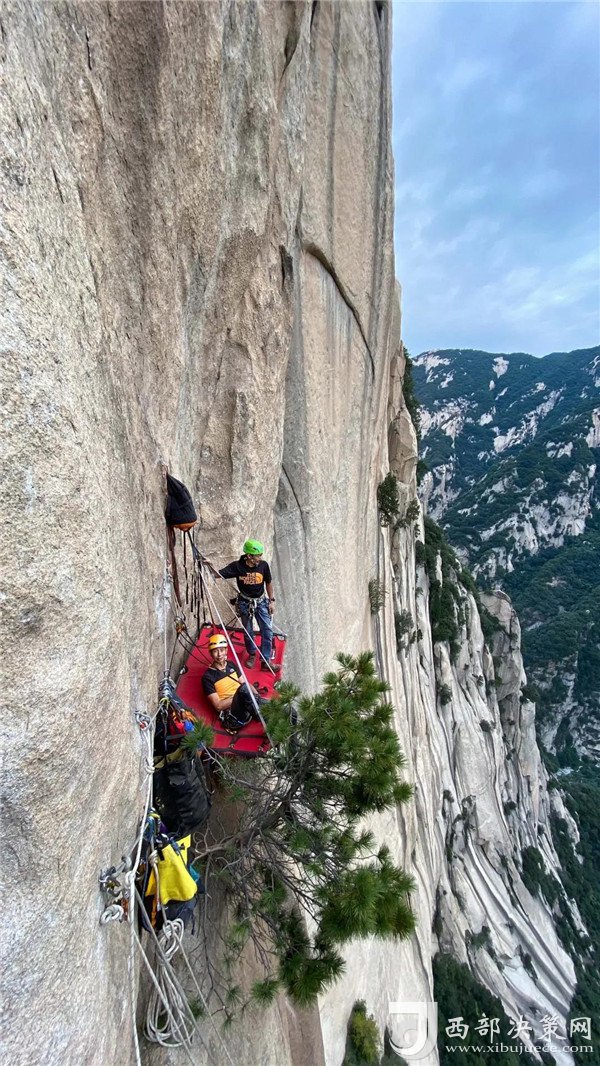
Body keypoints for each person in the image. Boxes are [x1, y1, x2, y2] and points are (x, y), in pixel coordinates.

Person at [217, 539, 281, 673]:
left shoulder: (263, 566)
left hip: (261, 602)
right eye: (258, 556)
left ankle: (266, 660)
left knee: (267, 630)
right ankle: (252, 654)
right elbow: (218, 574)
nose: (260, 558)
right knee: (248, 631)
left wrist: (271, 600)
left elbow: (268, 582)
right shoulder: (237, 567)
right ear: (249, 556)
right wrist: (208, 565)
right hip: (245, 603)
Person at [201, 633, 262, 729]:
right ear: (211, 653)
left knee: (281, 708)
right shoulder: (208, 677)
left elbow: (245, 683)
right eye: (215, 651)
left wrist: (257, 696)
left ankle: (262, 708)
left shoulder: (231, 664)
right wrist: (239, 696)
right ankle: (262, 716)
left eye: (222, 650)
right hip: (233, 715)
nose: (219, 654)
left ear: (226, 650)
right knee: (244, 689)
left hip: (245, 703)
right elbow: (218, 706)